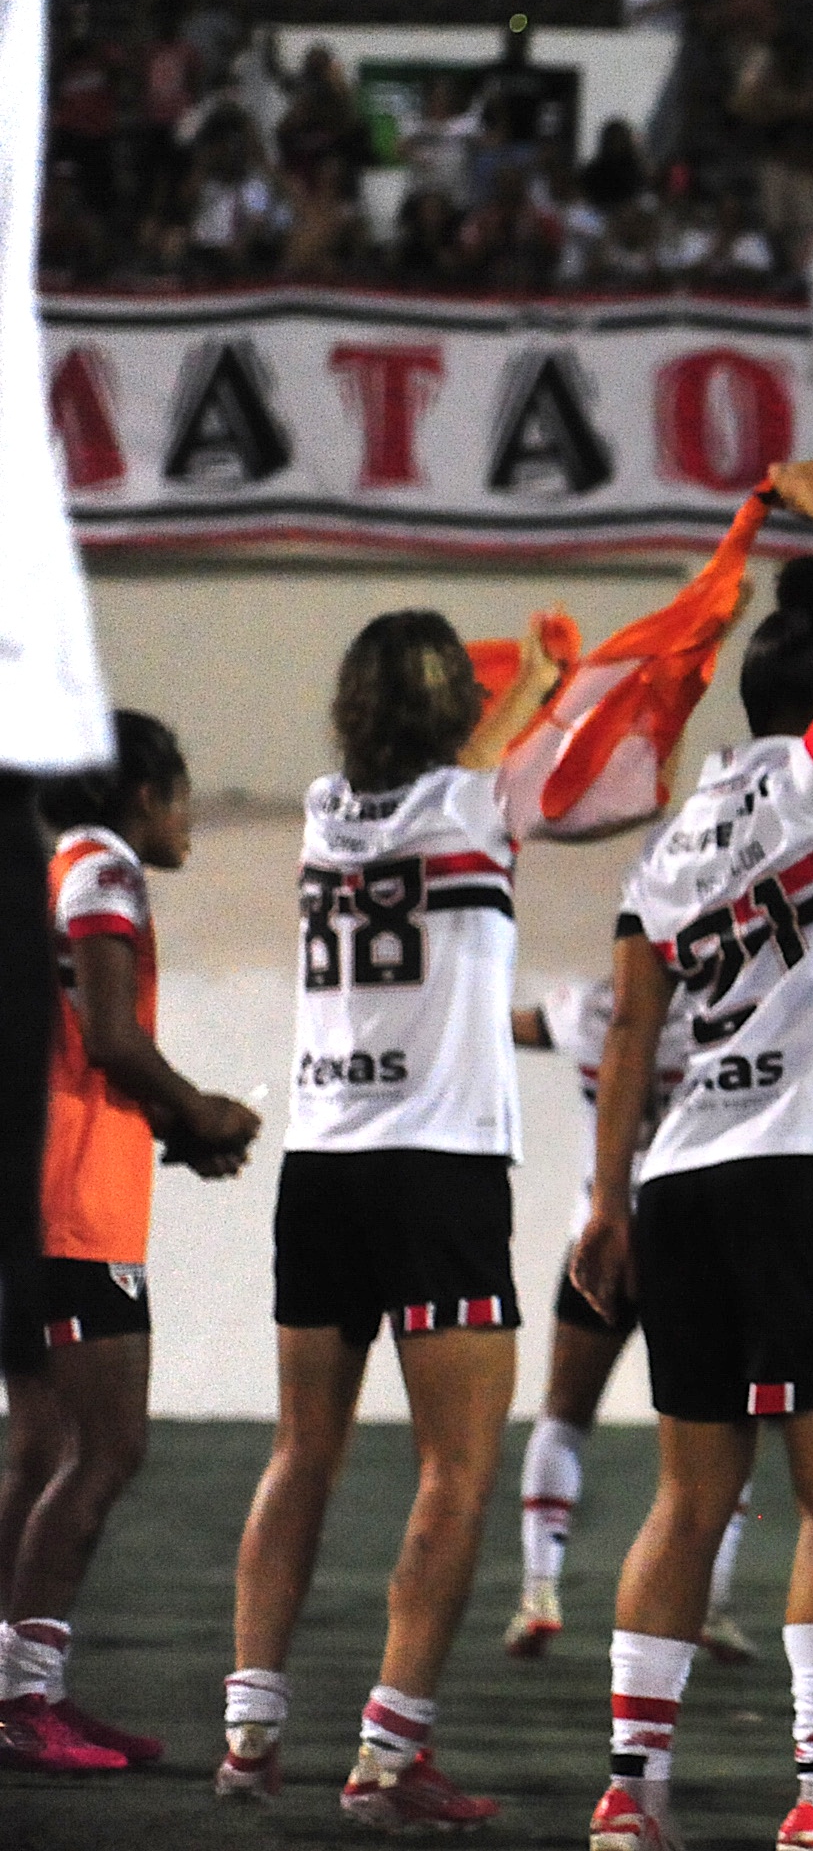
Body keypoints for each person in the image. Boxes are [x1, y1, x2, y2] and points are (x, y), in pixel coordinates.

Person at [572, 462, 813, 1851]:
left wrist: (605, 1201)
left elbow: (626, 1039)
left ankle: (630, 1792)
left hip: (685, 1182)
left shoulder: (667, 848)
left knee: (688, 1495)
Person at [222, 603, 564, 1828]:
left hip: (322, 1164)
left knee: (299, 1448)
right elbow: (512, 769)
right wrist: (538, 680)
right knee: (457, 1466)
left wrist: (513, 693)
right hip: (439, 1165)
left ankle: (251, 1728)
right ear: (454, 709)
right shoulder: (482, 802)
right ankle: (386, 1752)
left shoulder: (323, 808)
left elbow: (458, 765)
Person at [0, 712, 255, 1773]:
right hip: (76, 1203)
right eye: (182, 790)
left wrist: (170, 1127)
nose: (189, 814)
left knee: (43, 1447)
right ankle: (24, 1694)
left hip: (43, 1181)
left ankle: (21, 1687)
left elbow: (71, 1040)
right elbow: (107, 1034)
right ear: (142, 790)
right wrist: (196, 1107)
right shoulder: (105, 865)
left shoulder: (55, 862)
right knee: (109, 1446)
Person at [504, 979, 756, 1669]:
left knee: (564, 1413)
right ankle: (712, 1601)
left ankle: (539, 1589)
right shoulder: (732, 1007)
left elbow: (511, 1027)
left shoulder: (590, 1006)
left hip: (604, 1235)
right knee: (728, 1426)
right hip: (702, 1242)